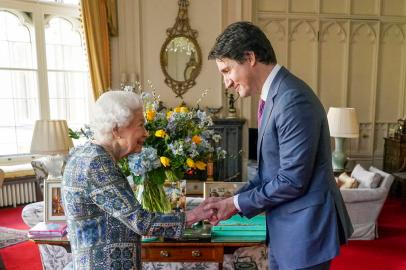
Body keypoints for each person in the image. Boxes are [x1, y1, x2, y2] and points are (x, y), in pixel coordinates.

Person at [205, 21, 354, 270]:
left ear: (250, 57)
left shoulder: (292, 99)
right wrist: (232, 199)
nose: (227, 83)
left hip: (305, 232)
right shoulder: (274, 95)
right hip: (288, 230)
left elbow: (292, 180)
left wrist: (235, 204)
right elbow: (268, 173)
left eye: (227, 70)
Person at [61, 91, 213, 270]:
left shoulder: (84, 154)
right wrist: (195, 215)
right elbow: (141, 221)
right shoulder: (97, 163)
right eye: (141, 125)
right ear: (117, 130)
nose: (147, 133)